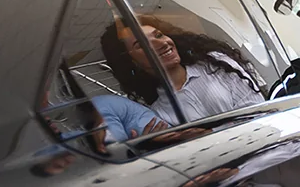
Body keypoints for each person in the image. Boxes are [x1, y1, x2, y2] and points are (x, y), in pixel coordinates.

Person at [100, 15, 267, 124]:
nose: (162, 43)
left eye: (158, 35)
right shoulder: (158, 112)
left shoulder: (216, 62)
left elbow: (258, 110)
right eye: (143, 45)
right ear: (132, 62)